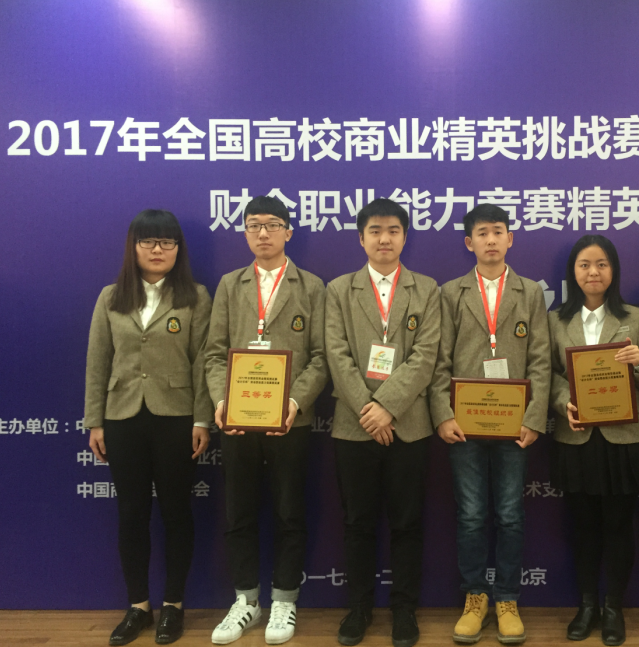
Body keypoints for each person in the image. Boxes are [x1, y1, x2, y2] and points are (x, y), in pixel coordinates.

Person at [84, 209, 213, 646]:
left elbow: (203, 363)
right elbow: (98, 362)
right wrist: (95, 420)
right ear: (133, 246)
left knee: (177, 512)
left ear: (178, 249)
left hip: (177, 419)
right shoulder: (111, 297)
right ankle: (138, 606)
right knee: (131, 513)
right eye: (149, 241)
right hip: (122, 418)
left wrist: (202, 419)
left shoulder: (195, 296)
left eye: (167, 242)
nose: (158, 250)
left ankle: (174, 604)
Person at [204, 196, 329, 645]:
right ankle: (245, 600)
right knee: (238, 512)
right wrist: (222, 400)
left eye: (272, 224)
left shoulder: (311, 286)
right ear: (244, 233)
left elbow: (320, 358)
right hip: (238, 421)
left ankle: (284, 599)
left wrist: (295, 402)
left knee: (289, 511)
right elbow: (214, 354)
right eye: (253, 225)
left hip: (289, 421)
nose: (263, 233)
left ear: (288, 232)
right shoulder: (230, 284)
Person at [429, 204, 551, 645]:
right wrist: (442, 414)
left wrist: (534, 417)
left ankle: (507, 598)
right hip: (464, 425)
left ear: (510, 238)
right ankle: (475, 597)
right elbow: (439, 360)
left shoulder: (529, 292)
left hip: (514, 425)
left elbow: (541, 359)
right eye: (482, 233)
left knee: (510, 515)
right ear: (470, 243)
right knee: (471, 515)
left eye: (498, 231)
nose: (491, 240)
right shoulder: (450, 292)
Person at [324, 198, 441, 647]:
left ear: (404, 237)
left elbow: (426, 355)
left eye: (393, 230)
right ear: (361, 238)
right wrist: (369, 410)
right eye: (375, 231)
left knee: (407, 523)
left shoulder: (426, 289)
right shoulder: (339, 289)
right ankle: (358, 609)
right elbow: (336, 354)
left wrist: (388, 407)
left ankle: (404, 610)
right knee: (358, 523)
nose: (384, 239)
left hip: (408, 424)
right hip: (354, 427)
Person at [547, 235, 639, 646]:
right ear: (573, 272)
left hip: (623, 437)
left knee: (619, 525)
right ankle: (587, 605)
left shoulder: (635, 317)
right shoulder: (555, 320)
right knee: (583, 527)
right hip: (576, 434)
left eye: (602, 264)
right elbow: (548, 373)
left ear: (613, 271)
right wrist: (563, 402)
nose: (593, 272)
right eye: (584, 265)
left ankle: (614, 608)